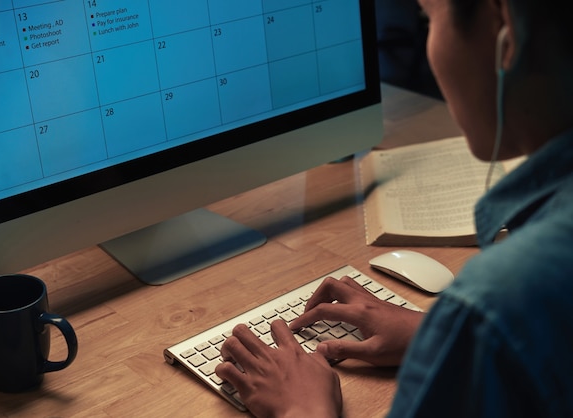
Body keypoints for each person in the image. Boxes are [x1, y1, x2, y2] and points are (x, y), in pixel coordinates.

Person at [215, 0, 573, 416]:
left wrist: (304, 408)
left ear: (504, 33)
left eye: (431, 18)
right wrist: (438, 335)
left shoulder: (500, 303)